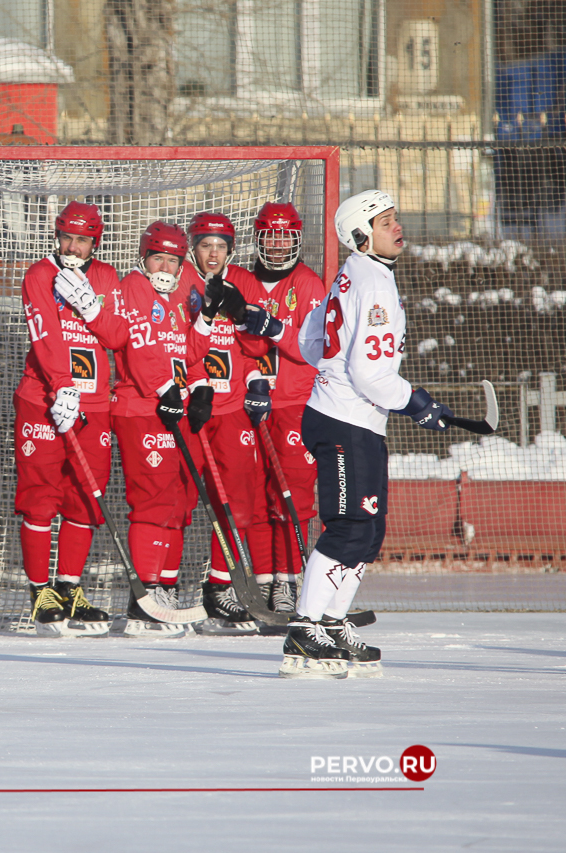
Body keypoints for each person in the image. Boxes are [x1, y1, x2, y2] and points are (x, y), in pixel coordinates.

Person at [258, 189, 449, 678]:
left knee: (369, 529)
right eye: (386, 222)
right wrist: (417, 402)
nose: (397, 227)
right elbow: (368, 373)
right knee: (348, 528)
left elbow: (309, 339)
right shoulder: (372, 281)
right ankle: (304, 631)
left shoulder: (357, 274)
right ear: (361, 236)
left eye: (395, 218)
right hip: (344, 418)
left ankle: (333, 620)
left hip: (354, 419)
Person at [92, 221, 212, 638]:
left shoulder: (184, 292)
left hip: (174, 404)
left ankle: (166, 585)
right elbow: (139, 347)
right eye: (158, 257)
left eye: (173, 260)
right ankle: (144, 599)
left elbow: (188, 350)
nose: (165, 265)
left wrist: (200, 388)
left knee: (182, 499)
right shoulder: (134, 288)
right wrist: (165, 389)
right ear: (144, 258)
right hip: (143, 406)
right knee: (154, 498)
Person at [12, 201, 119, 637]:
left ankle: (69, 588)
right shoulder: (39, 275)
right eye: (67, 238)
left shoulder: (108, 278)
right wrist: (62, 385)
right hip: (45, 400)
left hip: (94, 405)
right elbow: (46, 334)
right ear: (57, 235)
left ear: (96, 242)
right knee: (41, 495)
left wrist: (92, 309)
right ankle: (42, 594)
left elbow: (117, 336)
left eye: (83, 240)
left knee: (85, 498)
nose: (73, 248)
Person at [232, 202, 327, 613]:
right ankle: (263, 579)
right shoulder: (242, 280)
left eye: (285, 235)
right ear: (258, 237)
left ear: (297, 237)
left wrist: (275, 329)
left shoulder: (308, 285)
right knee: (251, 496)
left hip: (293, 404)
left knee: (292, 497)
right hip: (248, 403)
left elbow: (317, 350)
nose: (277, 244)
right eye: (270, 235)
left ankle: (288, 581)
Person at [181, 212, 270, 634]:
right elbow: (176, 343)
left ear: (230, 250)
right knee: (176, 499)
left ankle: (221, 589)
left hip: (231, 408)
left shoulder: (245, 282)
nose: (212, 254)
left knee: (238, 501)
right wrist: (196, 383)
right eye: (204, 246)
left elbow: (254, 344)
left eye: (220, 246)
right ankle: (162, 587)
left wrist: (254, 378)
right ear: (192, 248)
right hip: (192, 407)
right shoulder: (180, 281)